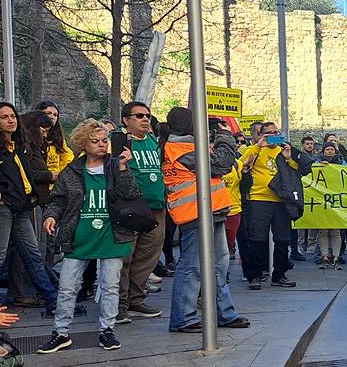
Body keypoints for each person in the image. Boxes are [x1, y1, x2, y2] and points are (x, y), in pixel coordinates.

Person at [37, 120, 141, 353]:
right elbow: (58, 199)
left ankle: (107, 330)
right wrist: (50, 216)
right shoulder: (72, 171)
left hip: (112, 236)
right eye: (95, 141)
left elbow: (131, 194)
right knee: (67, 287)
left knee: (110, 286)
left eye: (104, 140)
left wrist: (124, 168)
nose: (102, 145)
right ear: (83, 144)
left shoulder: (116, 166)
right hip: (79, 238)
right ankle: (60, 332)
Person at [163, 107, 250, 333]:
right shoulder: (180, 148)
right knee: (192, 267)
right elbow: (221, 164)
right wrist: (224, 136)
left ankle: (223, 313)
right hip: (195, 213)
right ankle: (183, 317)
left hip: (212, 210)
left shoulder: (189, 145)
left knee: (219, 266)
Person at [0, 102, 57, 314]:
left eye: (13, 116)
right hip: (3, 208)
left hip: (22, 207)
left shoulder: (18, 145)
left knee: (33, 254)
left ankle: (51, 300)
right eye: (4, 117)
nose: (11, 120)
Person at [238, 122, 309, 289]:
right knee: (257, 239)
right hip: (259, 199)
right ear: (262, 135)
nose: (272, 135)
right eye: (268, 133)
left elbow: (297, 171)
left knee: (282, 239)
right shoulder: (255, 149)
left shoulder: (282, 151)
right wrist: (258, 145)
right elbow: (242, 163)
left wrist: (289, 157)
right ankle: (254, 275)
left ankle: (279, 275)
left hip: (281, 200)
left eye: (275, 132)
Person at [114, 102, 166, 321]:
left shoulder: (154, 141)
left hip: (156, 208)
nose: (145, 119)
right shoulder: (119, 141)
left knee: (147, 256)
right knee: (125, 257)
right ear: (126, 120)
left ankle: (137, 300)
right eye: (139, 116)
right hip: (132, 207)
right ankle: (119, 305)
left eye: (147, 116)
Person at [316, 143, 346, 269]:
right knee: (323, 230)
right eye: (327, 149)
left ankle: (336, 256)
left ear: (335, 151)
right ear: (323, 151)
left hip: (336, 200)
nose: (329, 151)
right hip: (321, 199)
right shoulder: (316, 163)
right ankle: (325, 257)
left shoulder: (342, 164)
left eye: (331, 149)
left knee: (336, 230)